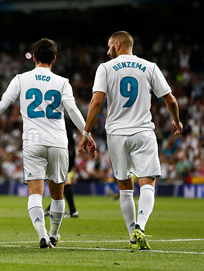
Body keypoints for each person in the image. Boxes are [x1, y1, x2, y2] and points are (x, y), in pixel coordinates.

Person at [0, 38, 95, 248]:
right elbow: (73, 111)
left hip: (33, 142)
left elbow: (2, 106)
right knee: (58, 194)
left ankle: (41, 234)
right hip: (59, 142)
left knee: (35, 192)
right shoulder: (62, 82)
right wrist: (86, 134)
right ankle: (53, 234)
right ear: (54, 58)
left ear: (33, 57)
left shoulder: (21, 79)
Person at [78, 31, 183, 250]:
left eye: (109, 47)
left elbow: (96, 101)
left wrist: (86, 132)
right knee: (148, 183)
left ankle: (132, 234)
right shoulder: (150, 66)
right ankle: (140, 227)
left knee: (125, 187)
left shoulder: (105, 68)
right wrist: (176, 121)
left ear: (117, 45)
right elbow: (170, 99)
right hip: (143, 132)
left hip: (116, 134)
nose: (107, 52)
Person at [44, 115, 79, 218]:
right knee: (63, 179)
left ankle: (72, 210)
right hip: (71, 149)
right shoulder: (69, 116)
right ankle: (52, 207)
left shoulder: (58, 115)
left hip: (63, 148)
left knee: (64, 179)